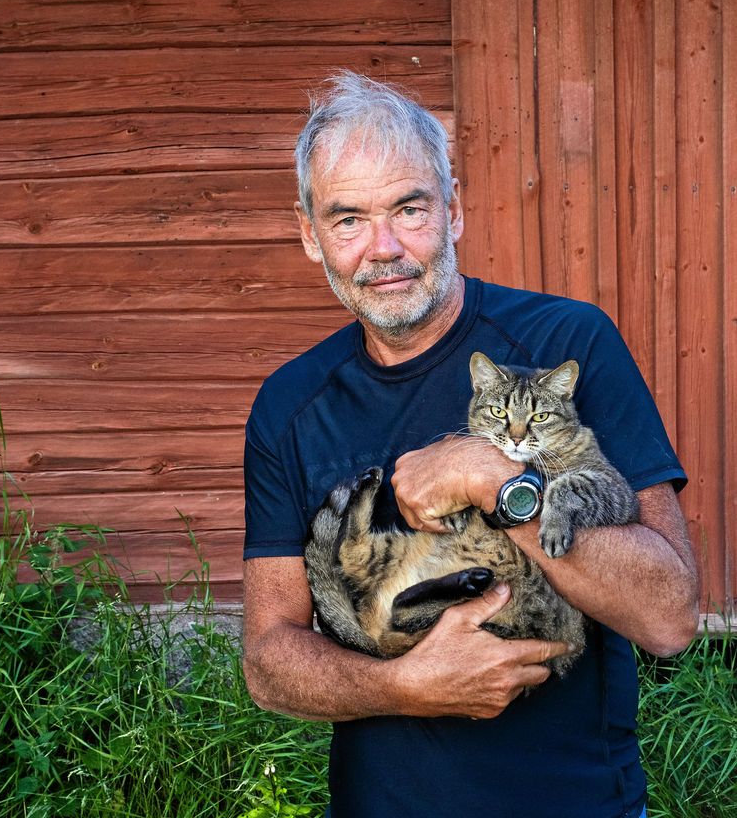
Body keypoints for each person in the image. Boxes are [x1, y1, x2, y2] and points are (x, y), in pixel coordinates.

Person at [241, 71, 698, 818]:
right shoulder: (289, 407)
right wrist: (407, 687)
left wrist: (497, 480)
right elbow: (268, 663)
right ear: (309, 233)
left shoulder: (567, 344)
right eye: (348, 218)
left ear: (453, 212)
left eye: (409, 209)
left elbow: (672, 618)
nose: (382, 249)